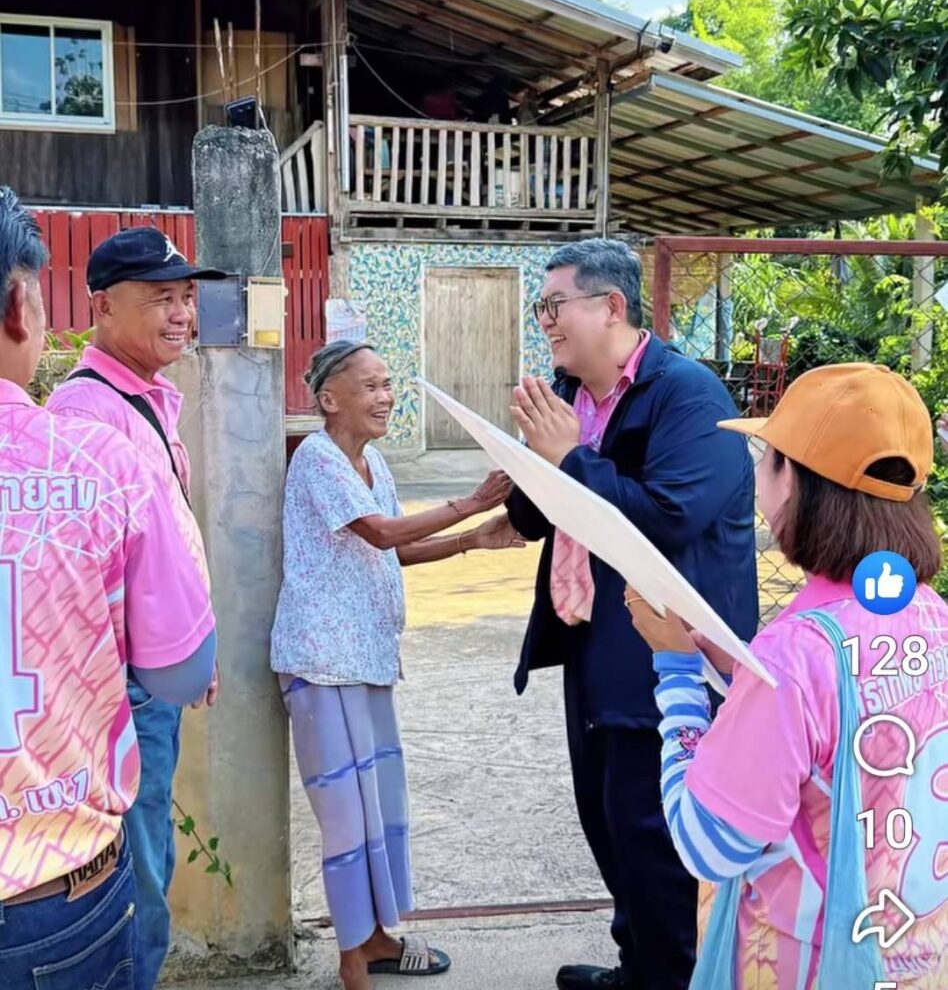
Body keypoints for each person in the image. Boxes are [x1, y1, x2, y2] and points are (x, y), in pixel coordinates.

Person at [625, 362, 948, 989]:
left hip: (806, 968)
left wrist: (677, 670)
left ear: (794, 479)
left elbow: (708, 844)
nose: (757, 476)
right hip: (916, 959)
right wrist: (741, 672)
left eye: (766, 457)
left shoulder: (794, 658)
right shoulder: (930, 616)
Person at [505, 239, 759, 990]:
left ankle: (676, 975)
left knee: (657, 836)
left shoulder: (688, 396)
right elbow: (537, 515)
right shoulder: (570, 393)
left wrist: (571, 458)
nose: (546, 322)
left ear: (611, 306)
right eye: (541, 308)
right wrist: (528, 460)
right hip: (592, 641)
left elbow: (669, 518)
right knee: (609, 822)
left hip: (667, 652)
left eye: (556, 305)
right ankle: (637, 966)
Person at [0, 192, 216, 987]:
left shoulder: (144, 403)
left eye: (186, 296)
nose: (181, 313)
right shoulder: (86, 426)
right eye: (160, 297)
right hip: (96, 724)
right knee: (142, 866)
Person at [271, 340, 523, 990]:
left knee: (378, 809)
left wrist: (472, 540)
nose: (386, 397)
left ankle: (378, 938)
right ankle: (352, 957)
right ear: (330, 399)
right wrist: (472, 503)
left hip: (368, 657)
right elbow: (381, 533)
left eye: (388, 384)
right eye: (371, 386)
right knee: (345, 818)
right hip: (323, 663)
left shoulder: (373, 462)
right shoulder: (317, 460)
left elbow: (391, 550)